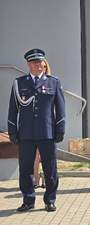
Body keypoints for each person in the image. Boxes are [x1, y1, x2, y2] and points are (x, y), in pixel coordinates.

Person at [7, 48, 65, 212]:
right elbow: (13, 109)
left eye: (39, 61)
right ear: (28, 65)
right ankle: (28, 200)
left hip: (47, 133)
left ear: (44, 64)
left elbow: (60, 108)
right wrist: (13, 131)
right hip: (25, 134)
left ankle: (50, 200)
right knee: (25, 169)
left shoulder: (53, 82)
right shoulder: (19, 83)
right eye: (33, 62)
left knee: (50, 168)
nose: (36, 64)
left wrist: (60, 128)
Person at [33, 59, 51, 189]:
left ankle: (45, 179)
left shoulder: (52, 83)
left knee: (46, 157)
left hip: (47, 127)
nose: (42, 69)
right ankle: (35, 179)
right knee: (35, 156)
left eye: (44, 67)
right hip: (34, 127)